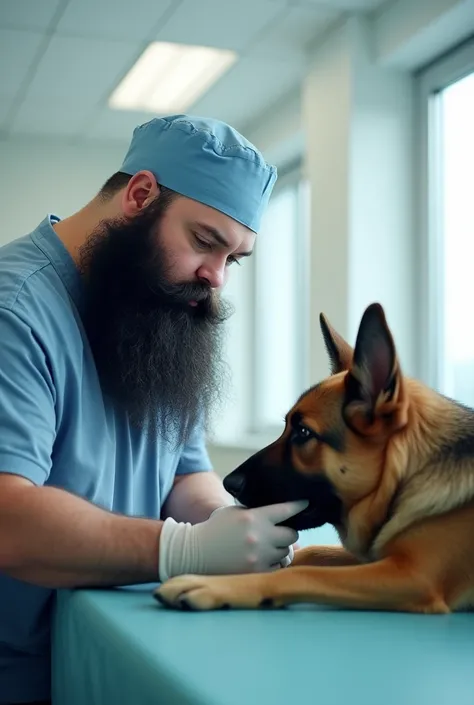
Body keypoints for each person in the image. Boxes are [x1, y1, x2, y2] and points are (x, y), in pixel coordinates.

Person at [0, 114, 307, 704]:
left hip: (101, 656)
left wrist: (229, 526)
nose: (214, 279)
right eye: (204, 242)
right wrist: (182, 550)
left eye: (232, 260)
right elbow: (7, 519)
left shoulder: (152, 310)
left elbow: (184, 473)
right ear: (139, 196)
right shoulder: (18, 312)